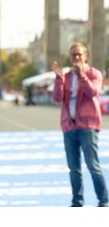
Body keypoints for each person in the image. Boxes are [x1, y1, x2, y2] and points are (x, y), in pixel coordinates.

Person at [52, 43, 108, 207]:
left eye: (79, 54)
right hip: (69, 127)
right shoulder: (67, 76)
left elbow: (93, 92)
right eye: (73, 55)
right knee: (73, 169)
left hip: (87, 126)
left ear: (85, 56)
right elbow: (57, 98)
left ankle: (103, 201)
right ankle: (77, 202)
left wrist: (82, 75)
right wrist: (59, 78)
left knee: (93, 166)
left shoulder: (94, 74)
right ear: (70, 58)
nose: (76, 58)